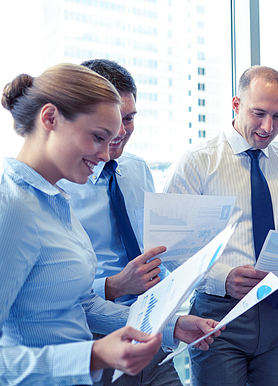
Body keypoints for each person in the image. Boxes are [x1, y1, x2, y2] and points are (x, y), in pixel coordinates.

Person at [0, 63, 220, 385]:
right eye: (98, 137)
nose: (106, 156)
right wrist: (95, 355)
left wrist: (172, 325)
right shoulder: (13, 208)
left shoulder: (55, 199)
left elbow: (80, 303)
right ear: (49, 119)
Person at [162, 65, 278, 386]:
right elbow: (170, 250)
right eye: (259, 113)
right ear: (236, 105)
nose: (268, 127)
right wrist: (222, 279)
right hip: (217, 318)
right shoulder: (197, 162)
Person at [58, 59, 180, 385]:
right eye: (111, 122)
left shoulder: (139, 170)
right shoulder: (58, 187)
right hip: (96, 344)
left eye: (129, 118)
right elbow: (63, 295)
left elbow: (150, 249)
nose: (121, 131)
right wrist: (114, 286)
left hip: (152, 334)